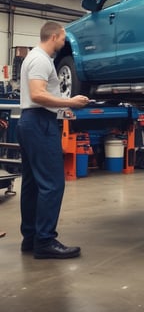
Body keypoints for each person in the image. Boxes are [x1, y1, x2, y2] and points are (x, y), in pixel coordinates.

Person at [17, 21, 89, 259]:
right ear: (54, 36)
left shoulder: (36, 57)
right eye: (63, 38)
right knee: (52, 183)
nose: (64, 41)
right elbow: (38, 95)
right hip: (39, 123)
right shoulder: (40, 59)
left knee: (32, 184)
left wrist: (61, 110)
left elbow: (38, 96)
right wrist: (71, 102)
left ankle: (31, 238)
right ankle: (45, 241)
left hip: (31, 121)